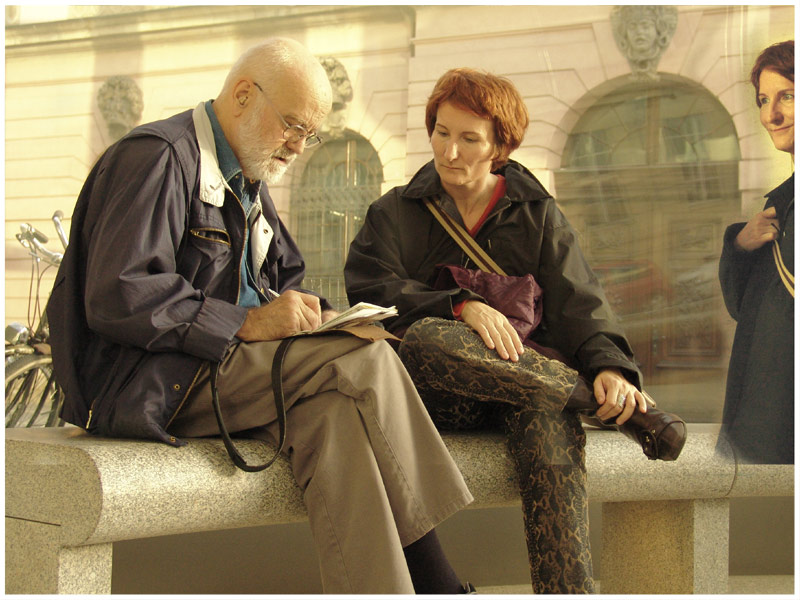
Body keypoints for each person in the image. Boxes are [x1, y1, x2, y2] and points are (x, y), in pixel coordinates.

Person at [47, 38, 476, 594]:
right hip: (149, 381)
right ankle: (441, 580)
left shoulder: (247, 172)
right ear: (244, 95)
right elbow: (116, 294)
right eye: (293, 125)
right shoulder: (157, 156)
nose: (299, 146)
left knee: (335, 417)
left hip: (222, 368)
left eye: (310, 134)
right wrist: (246, 323)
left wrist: (316, 317)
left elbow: (281, 279)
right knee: (367, 356)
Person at [344, 67, 687, 593]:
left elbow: (582, 302)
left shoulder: (538, 215)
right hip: (432, 397)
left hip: (523, 393)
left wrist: (612, 368)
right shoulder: (394, 212)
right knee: (429, 337)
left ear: (499, 146)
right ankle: (589, 402)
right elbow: (369, 290)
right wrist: (459, 304)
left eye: (468, 139)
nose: (449, 152)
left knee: (551, 432)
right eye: (441, 132)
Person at [718, 40, 794, 464]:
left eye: (788, 96)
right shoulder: (781, 205)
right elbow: (744, 310)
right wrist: (741, 247)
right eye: (764, 100)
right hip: (767, 411)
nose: (771, 116)